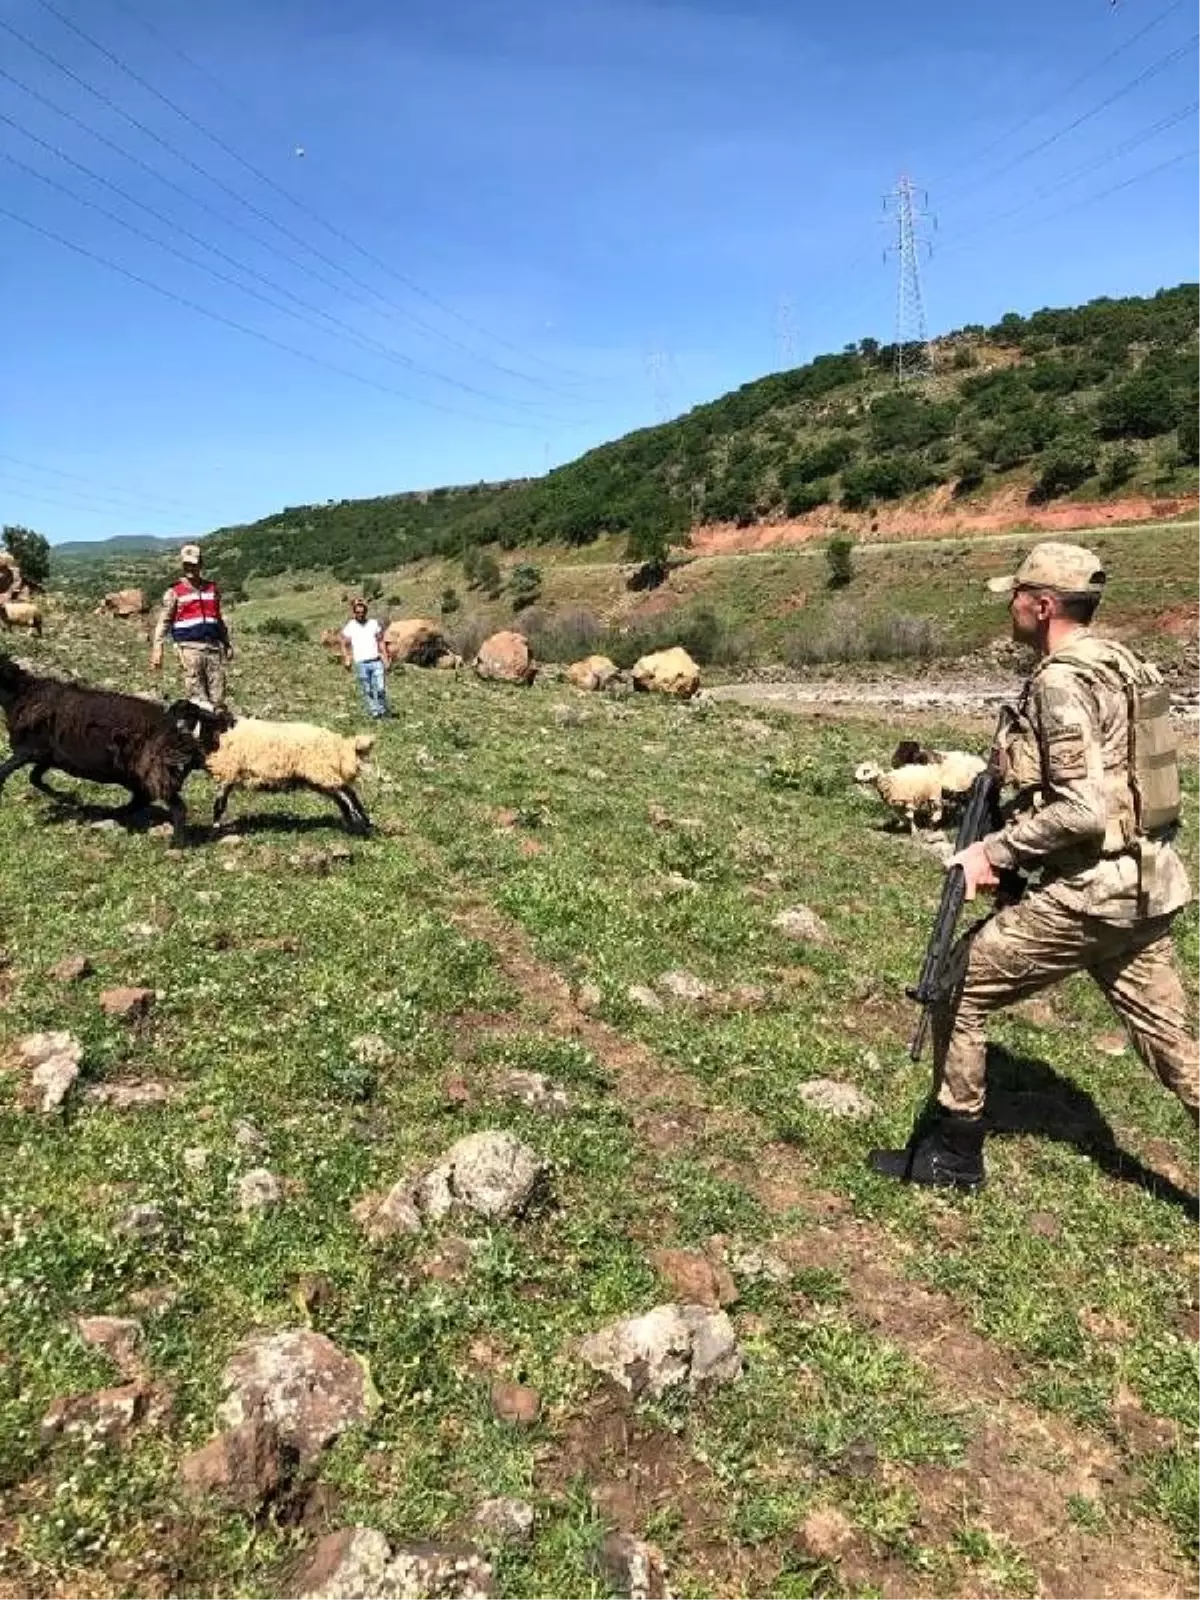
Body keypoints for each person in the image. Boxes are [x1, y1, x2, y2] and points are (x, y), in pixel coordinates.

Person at [870, 541, 1200, 1192]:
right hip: (1143, 882)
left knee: (957, 985)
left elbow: (1082, 808)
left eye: (1017, 596)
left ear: (1043, 605)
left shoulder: (1061, 680)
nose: (1011, 607)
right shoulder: (1126, 665)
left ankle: (955, 1154)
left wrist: (991, 852)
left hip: (1089, 890)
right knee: (1177, 1048)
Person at [150, 544, 233, 708]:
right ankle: (198, 733)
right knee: (198, 700)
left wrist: (227, 643)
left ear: (200, 564)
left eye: (193, 564)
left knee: (218, 698)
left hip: (213, 648)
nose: (190, 568)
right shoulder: (175, 591)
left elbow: (218, 618)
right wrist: (157, 648)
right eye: (186, 564)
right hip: (189, 649)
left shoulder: (212, 589)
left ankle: (216, 732)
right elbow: (164, 621)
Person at [340, 598, 389, 719]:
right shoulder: (351, 626)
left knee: (381, 688)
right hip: (361, 663)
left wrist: (385, 657)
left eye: (362, 612)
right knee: (368, 690)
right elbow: (343, 642)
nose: (360, 615)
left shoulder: (373, 623)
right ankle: (375, 713)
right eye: (357, 612)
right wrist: (347, 657)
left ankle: (383, 711)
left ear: (366, 612)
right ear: (354, 613)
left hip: (376, 661)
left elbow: (380, 640)